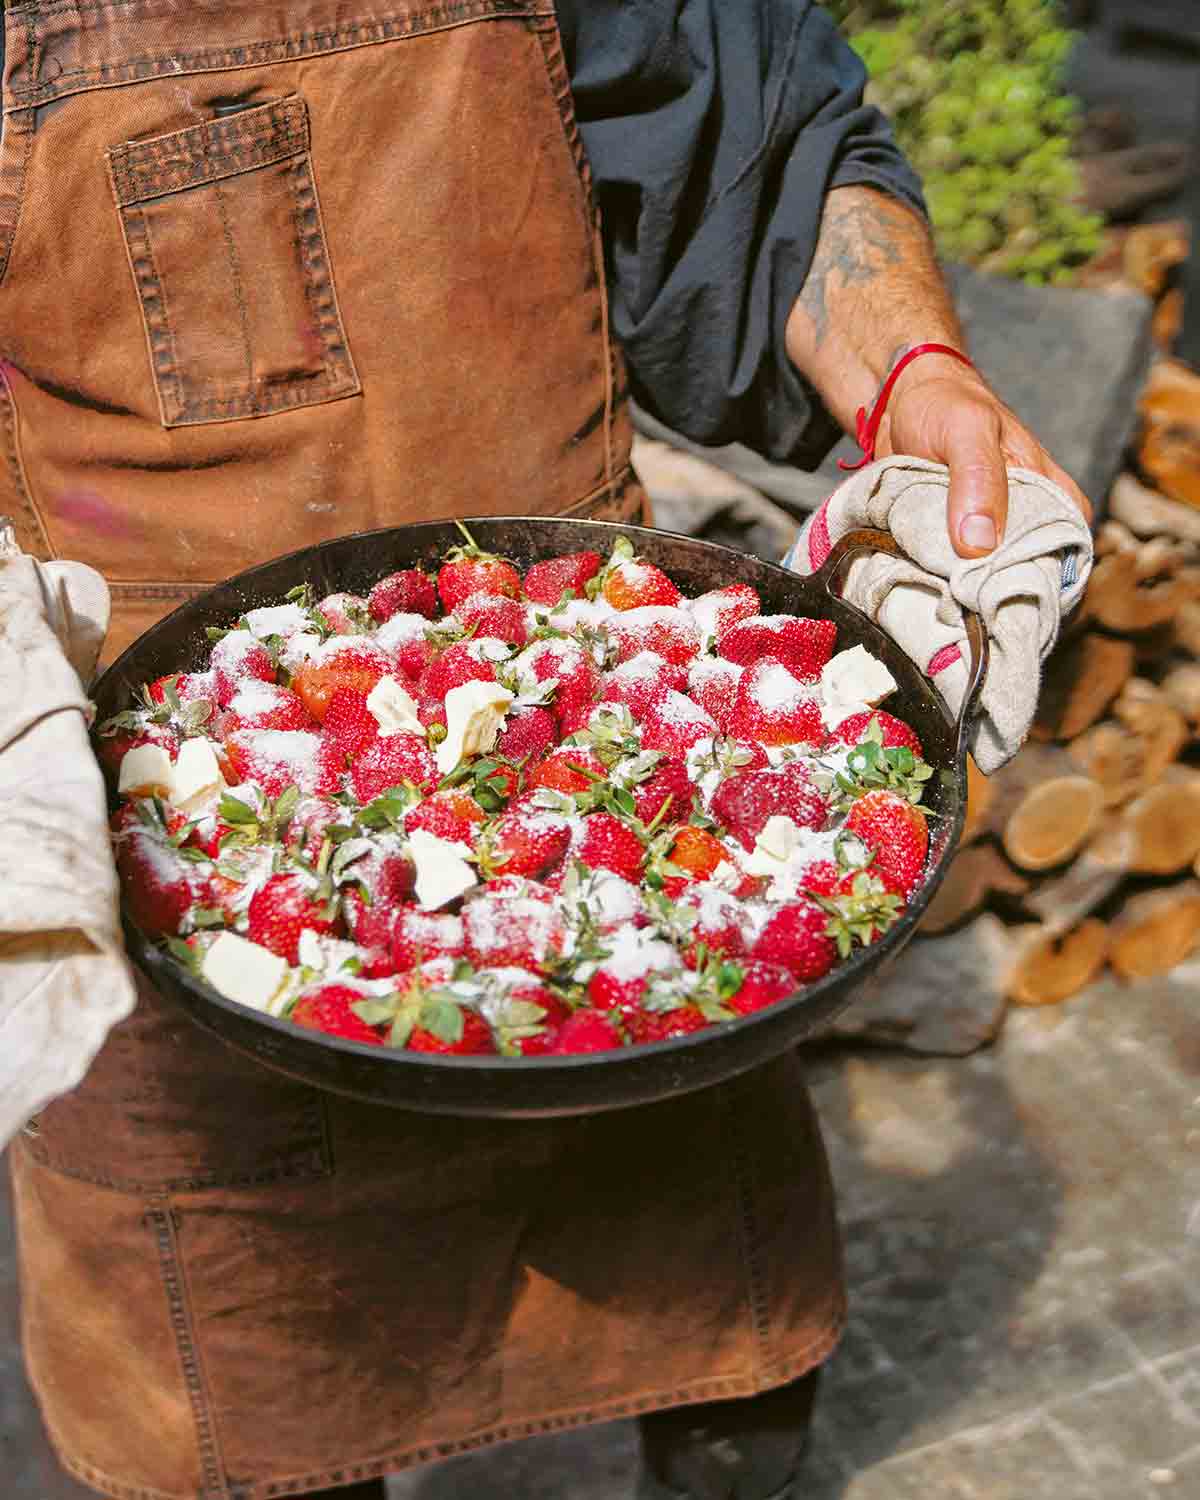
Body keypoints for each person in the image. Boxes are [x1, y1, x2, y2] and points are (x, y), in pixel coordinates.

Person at [0, 3, 1088, 1499]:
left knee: (719, 1365)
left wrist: (915, 378)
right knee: (260, 1405)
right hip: (142, 766)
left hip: (607, 686)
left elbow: (756, 145)